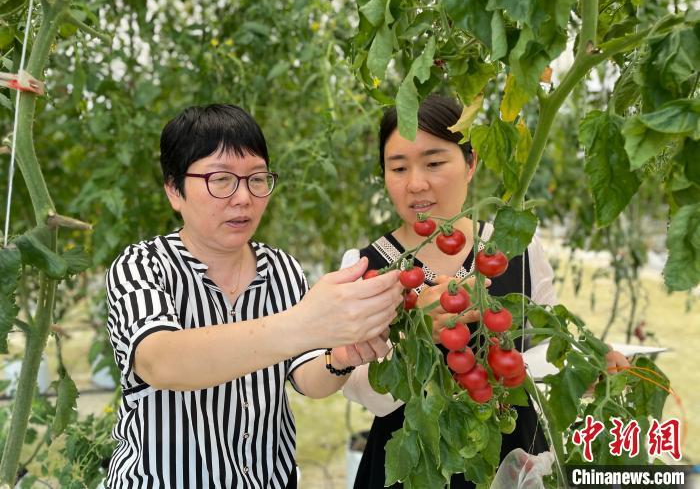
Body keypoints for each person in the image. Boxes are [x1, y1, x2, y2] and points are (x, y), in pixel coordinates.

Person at [105, 104, 403, 489]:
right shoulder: (142, 266)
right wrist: (304, 324)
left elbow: (307, 378)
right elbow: (162, 363)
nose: (244, 198)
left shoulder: (282, 269)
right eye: (221, 180)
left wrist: (340, 358)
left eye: (256, 179)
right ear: (174, 190)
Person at [340, 94, 628, 488]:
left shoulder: (517, 248)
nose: (416, 183)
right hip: (414, 463)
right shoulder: (366, 267)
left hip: (513, 456)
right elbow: (362, 388)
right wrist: (416, 334)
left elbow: (539, 342)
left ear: (471, 163)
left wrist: (581, 369)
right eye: (398, 168)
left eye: (435, 162)